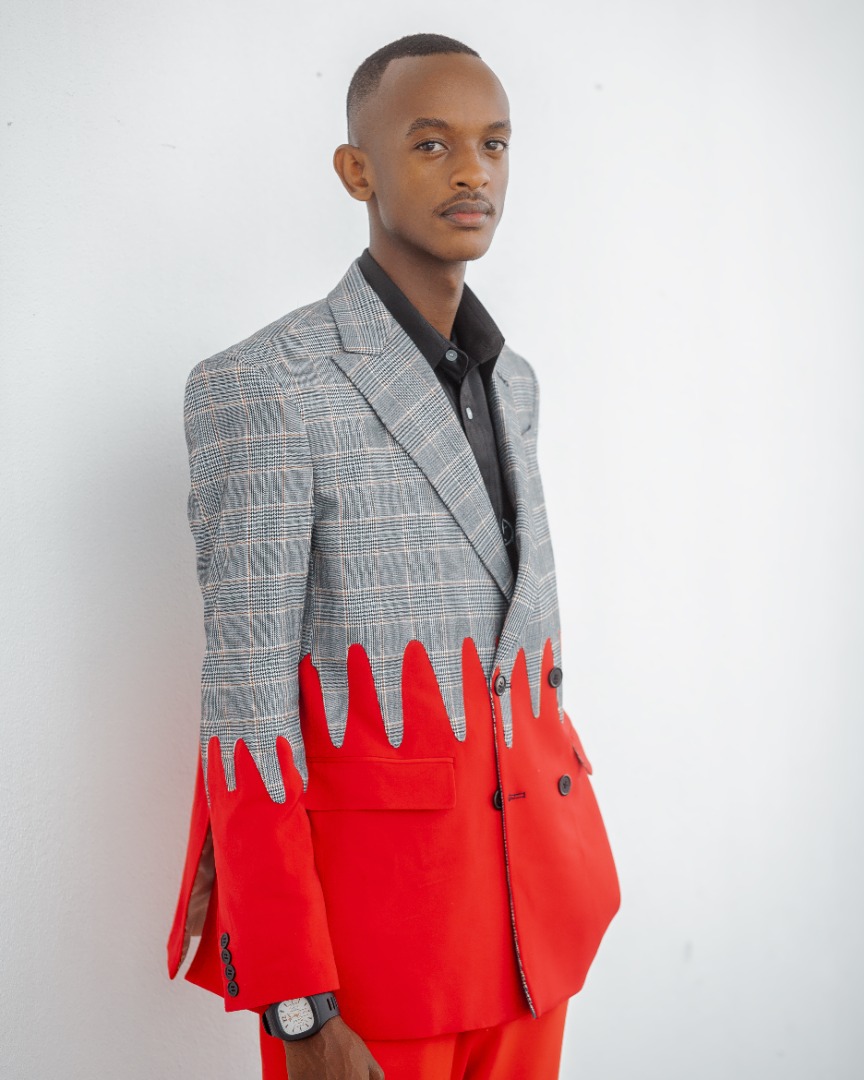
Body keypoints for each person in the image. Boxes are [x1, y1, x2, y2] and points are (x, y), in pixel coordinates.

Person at [167, 32, 620, 1080]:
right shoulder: (265, 386)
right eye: (431, 143)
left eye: (494, 144)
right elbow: (245, 707)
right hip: (377, 954)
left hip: (539, 920)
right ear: (357, 170)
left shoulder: (514, 382)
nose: (473, 172)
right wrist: (296, 1004)